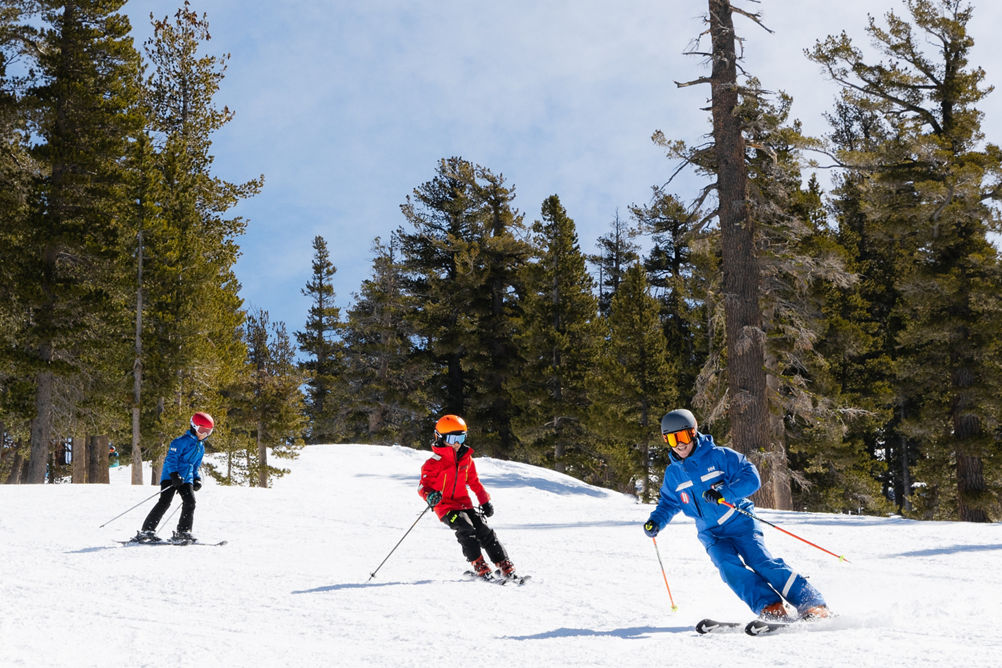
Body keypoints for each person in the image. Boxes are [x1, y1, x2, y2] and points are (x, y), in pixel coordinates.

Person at [643, 409, 829, 621]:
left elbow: (752, 478)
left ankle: (812, 604)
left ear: (693, 433)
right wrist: (655, 521)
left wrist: (725, 493)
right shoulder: (673, 474)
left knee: (762, 563)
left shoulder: (720, 456)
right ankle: (771, 607)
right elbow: (668, 502)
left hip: (740, 523)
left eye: (682, 436)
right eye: (671, 438)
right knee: (729, 569)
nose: (678, 444)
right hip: (711, 533)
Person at [418, 414, 519, 580]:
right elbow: (423, 487)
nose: (457, 443)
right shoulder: (433, 463)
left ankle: (504, 565)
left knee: (484, 530)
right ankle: (479, 565)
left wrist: (485, 501)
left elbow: (474, 482)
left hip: (465, 504)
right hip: (445, 507)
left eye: (461, 437)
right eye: (452, 438)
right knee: (466, 528)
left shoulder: (467, 459)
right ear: (440, 438)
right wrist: (430, 496)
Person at [134, 412, 212, 544]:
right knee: (164, 502)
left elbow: (195, 465)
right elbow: (171, 459)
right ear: (194, 426)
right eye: (202, 430)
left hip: (186, 479)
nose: (204, 434)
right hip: (170, 476)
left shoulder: (201, 447)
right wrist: (174, 475)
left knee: (190, 502)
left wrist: (196, 479)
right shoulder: (180, 442)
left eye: (208, 432)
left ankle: (183, 532)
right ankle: (147, 531)